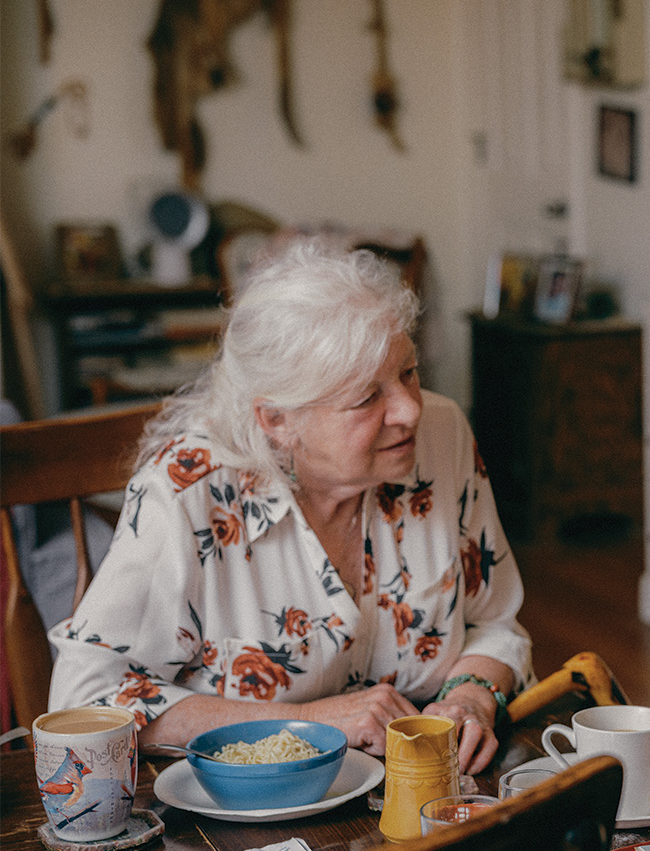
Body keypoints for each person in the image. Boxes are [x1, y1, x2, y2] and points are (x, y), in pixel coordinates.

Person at [49, 241, 531, 774]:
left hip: (417, 788)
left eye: (410, 372)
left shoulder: (443, 436)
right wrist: (310, 723)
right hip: (236, 809)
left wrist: (471, 696)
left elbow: (494, 623)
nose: (409, 409)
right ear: (277, 420)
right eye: (367, 397)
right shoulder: (189, 491)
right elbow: (83, 698)